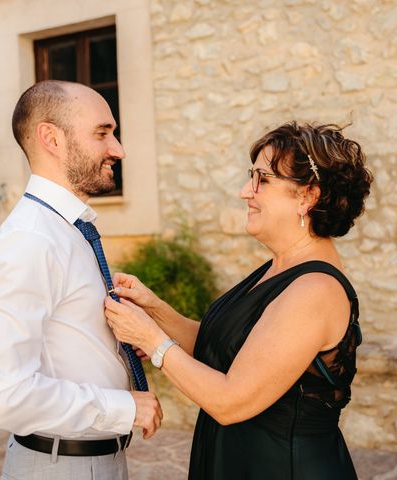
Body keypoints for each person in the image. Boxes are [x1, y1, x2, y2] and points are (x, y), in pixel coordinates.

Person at [105, 122, 373, 479]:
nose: (246, 191)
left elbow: (230, 401)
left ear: (307, 196)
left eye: (263, 179)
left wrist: (151, 342)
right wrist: (153, 307)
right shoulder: (278, 267)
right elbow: (220, 347)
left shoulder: (315, 289)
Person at [0, 80, 162, 480]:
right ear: (51, 138)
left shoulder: (67, 228)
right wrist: (122, 407)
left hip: (92, 459)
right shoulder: (30, 241)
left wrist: (117, 347)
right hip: (61, 467)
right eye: (102, 133)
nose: (119, 149)